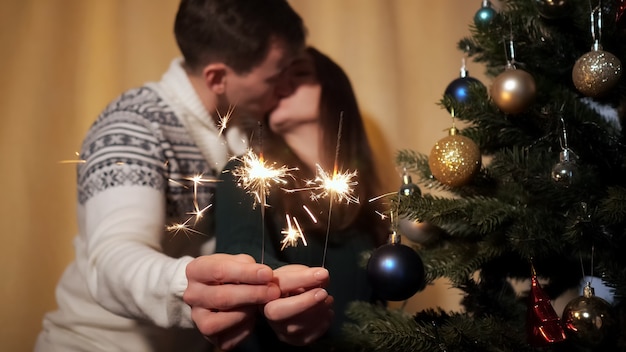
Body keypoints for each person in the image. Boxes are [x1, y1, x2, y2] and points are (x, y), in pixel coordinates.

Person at [35, 1, 333, 351]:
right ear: (217, 78)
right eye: (274, 76)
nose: (285, 88)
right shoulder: (133, 126)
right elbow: (113, 258)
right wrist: (186, 287)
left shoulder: (251, 127)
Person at [214, 47, 390, 351]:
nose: (282, 84)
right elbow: (240, 251)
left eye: (300, 74)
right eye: (275, 78)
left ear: (335, 91)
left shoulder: (367, 205)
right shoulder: (246, 173)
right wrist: (278, 285)